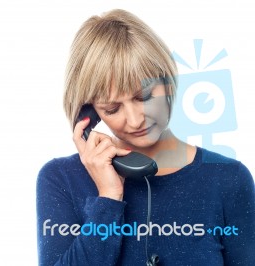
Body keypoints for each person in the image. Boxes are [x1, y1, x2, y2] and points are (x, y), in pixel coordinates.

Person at [36, 9, 255, 266]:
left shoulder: (228, 179)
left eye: (145, 97)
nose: (136, 119)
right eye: (112, 109)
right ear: (89, 114)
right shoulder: (60, 178)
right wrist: (107, 198)